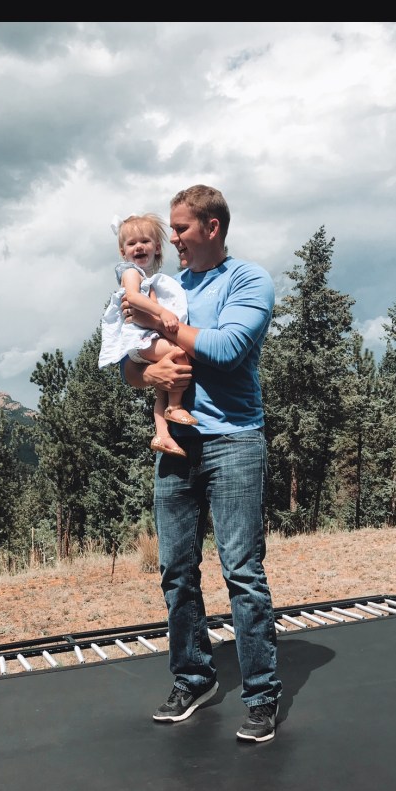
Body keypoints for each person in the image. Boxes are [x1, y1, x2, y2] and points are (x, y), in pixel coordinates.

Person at [121, 185, 282, 742]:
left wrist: (157, 318)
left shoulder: (248, 280)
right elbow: (128, 364)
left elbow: (226, 348)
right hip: (178, 444)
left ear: (212, 228)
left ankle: (261, 695)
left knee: (242, 571)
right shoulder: (169, 286)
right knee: (176, 570)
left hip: (235, 440)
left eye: (181, 228)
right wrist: (150, 374)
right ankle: (194, 678)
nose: (172, 240)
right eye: (170, 229)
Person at [99, 213, 197, 457]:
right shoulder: (130, 272)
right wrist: (162, 312)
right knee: (179, 353)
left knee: (162, 385)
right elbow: (132, 297)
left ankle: (162, 435)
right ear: (123, 252)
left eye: (145, 241)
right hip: (139, 341)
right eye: (131, 243)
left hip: (143, 340)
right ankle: (175, 406)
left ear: (157, 248)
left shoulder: (149, 278)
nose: (139, 247)